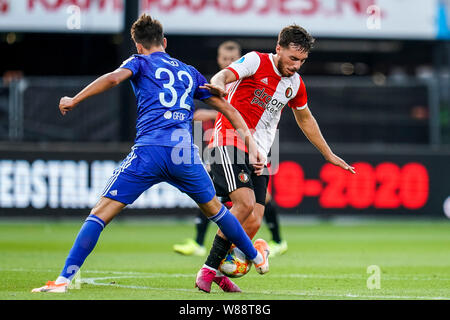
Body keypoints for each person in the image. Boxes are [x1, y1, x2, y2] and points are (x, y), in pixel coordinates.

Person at [31, 14, 270, 294]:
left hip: (150, 151)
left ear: (138, 45)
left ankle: (62, 281)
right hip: (184, 155)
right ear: (164, 42)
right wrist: (252, 145)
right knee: (218, 212)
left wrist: (75, 99)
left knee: (100, 214)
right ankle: (255, 256)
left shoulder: (139, 62)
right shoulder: (189, 72)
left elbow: (112, 79)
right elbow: (229, 109)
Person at [195, 24, 355, 292]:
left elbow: (306, 119)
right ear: (278, 48)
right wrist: (219, 86)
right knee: (243, 205)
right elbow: (224, 74)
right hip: (229, 139)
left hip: (262, 152)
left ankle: (224, 269)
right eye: (293, 58)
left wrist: (328, 154)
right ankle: (208, 270)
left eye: (302, 61)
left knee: (255, 220)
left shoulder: (295, 84)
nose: (296, 66)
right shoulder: (256, 60)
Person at [174, 41, 288, 258]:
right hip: (226, 144)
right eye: (224, 60)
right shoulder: (221, 82)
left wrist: (209, 114)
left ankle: (276, 241)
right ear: (219, 60)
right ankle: (206, 245)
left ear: (239, 59)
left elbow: (242, 113)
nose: (228, 62)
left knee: (260, 199)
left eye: (232, 59)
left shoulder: (249, 78)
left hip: (255, 143)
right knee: (212, 195)